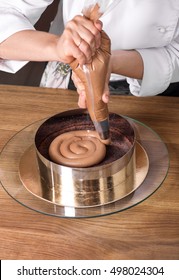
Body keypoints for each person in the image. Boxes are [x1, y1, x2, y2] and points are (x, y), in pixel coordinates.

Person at [40, 0, 179, 107]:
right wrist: (59, 47)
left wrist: (110, 62)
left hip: (161, 90)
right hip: (70, 75)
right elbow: (17, 15)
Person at [0, 0, 102, 76]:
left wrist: (111, 63)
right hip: (66, 77)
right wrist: (57, 47)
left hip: (115, 78)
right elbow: (4, 19)